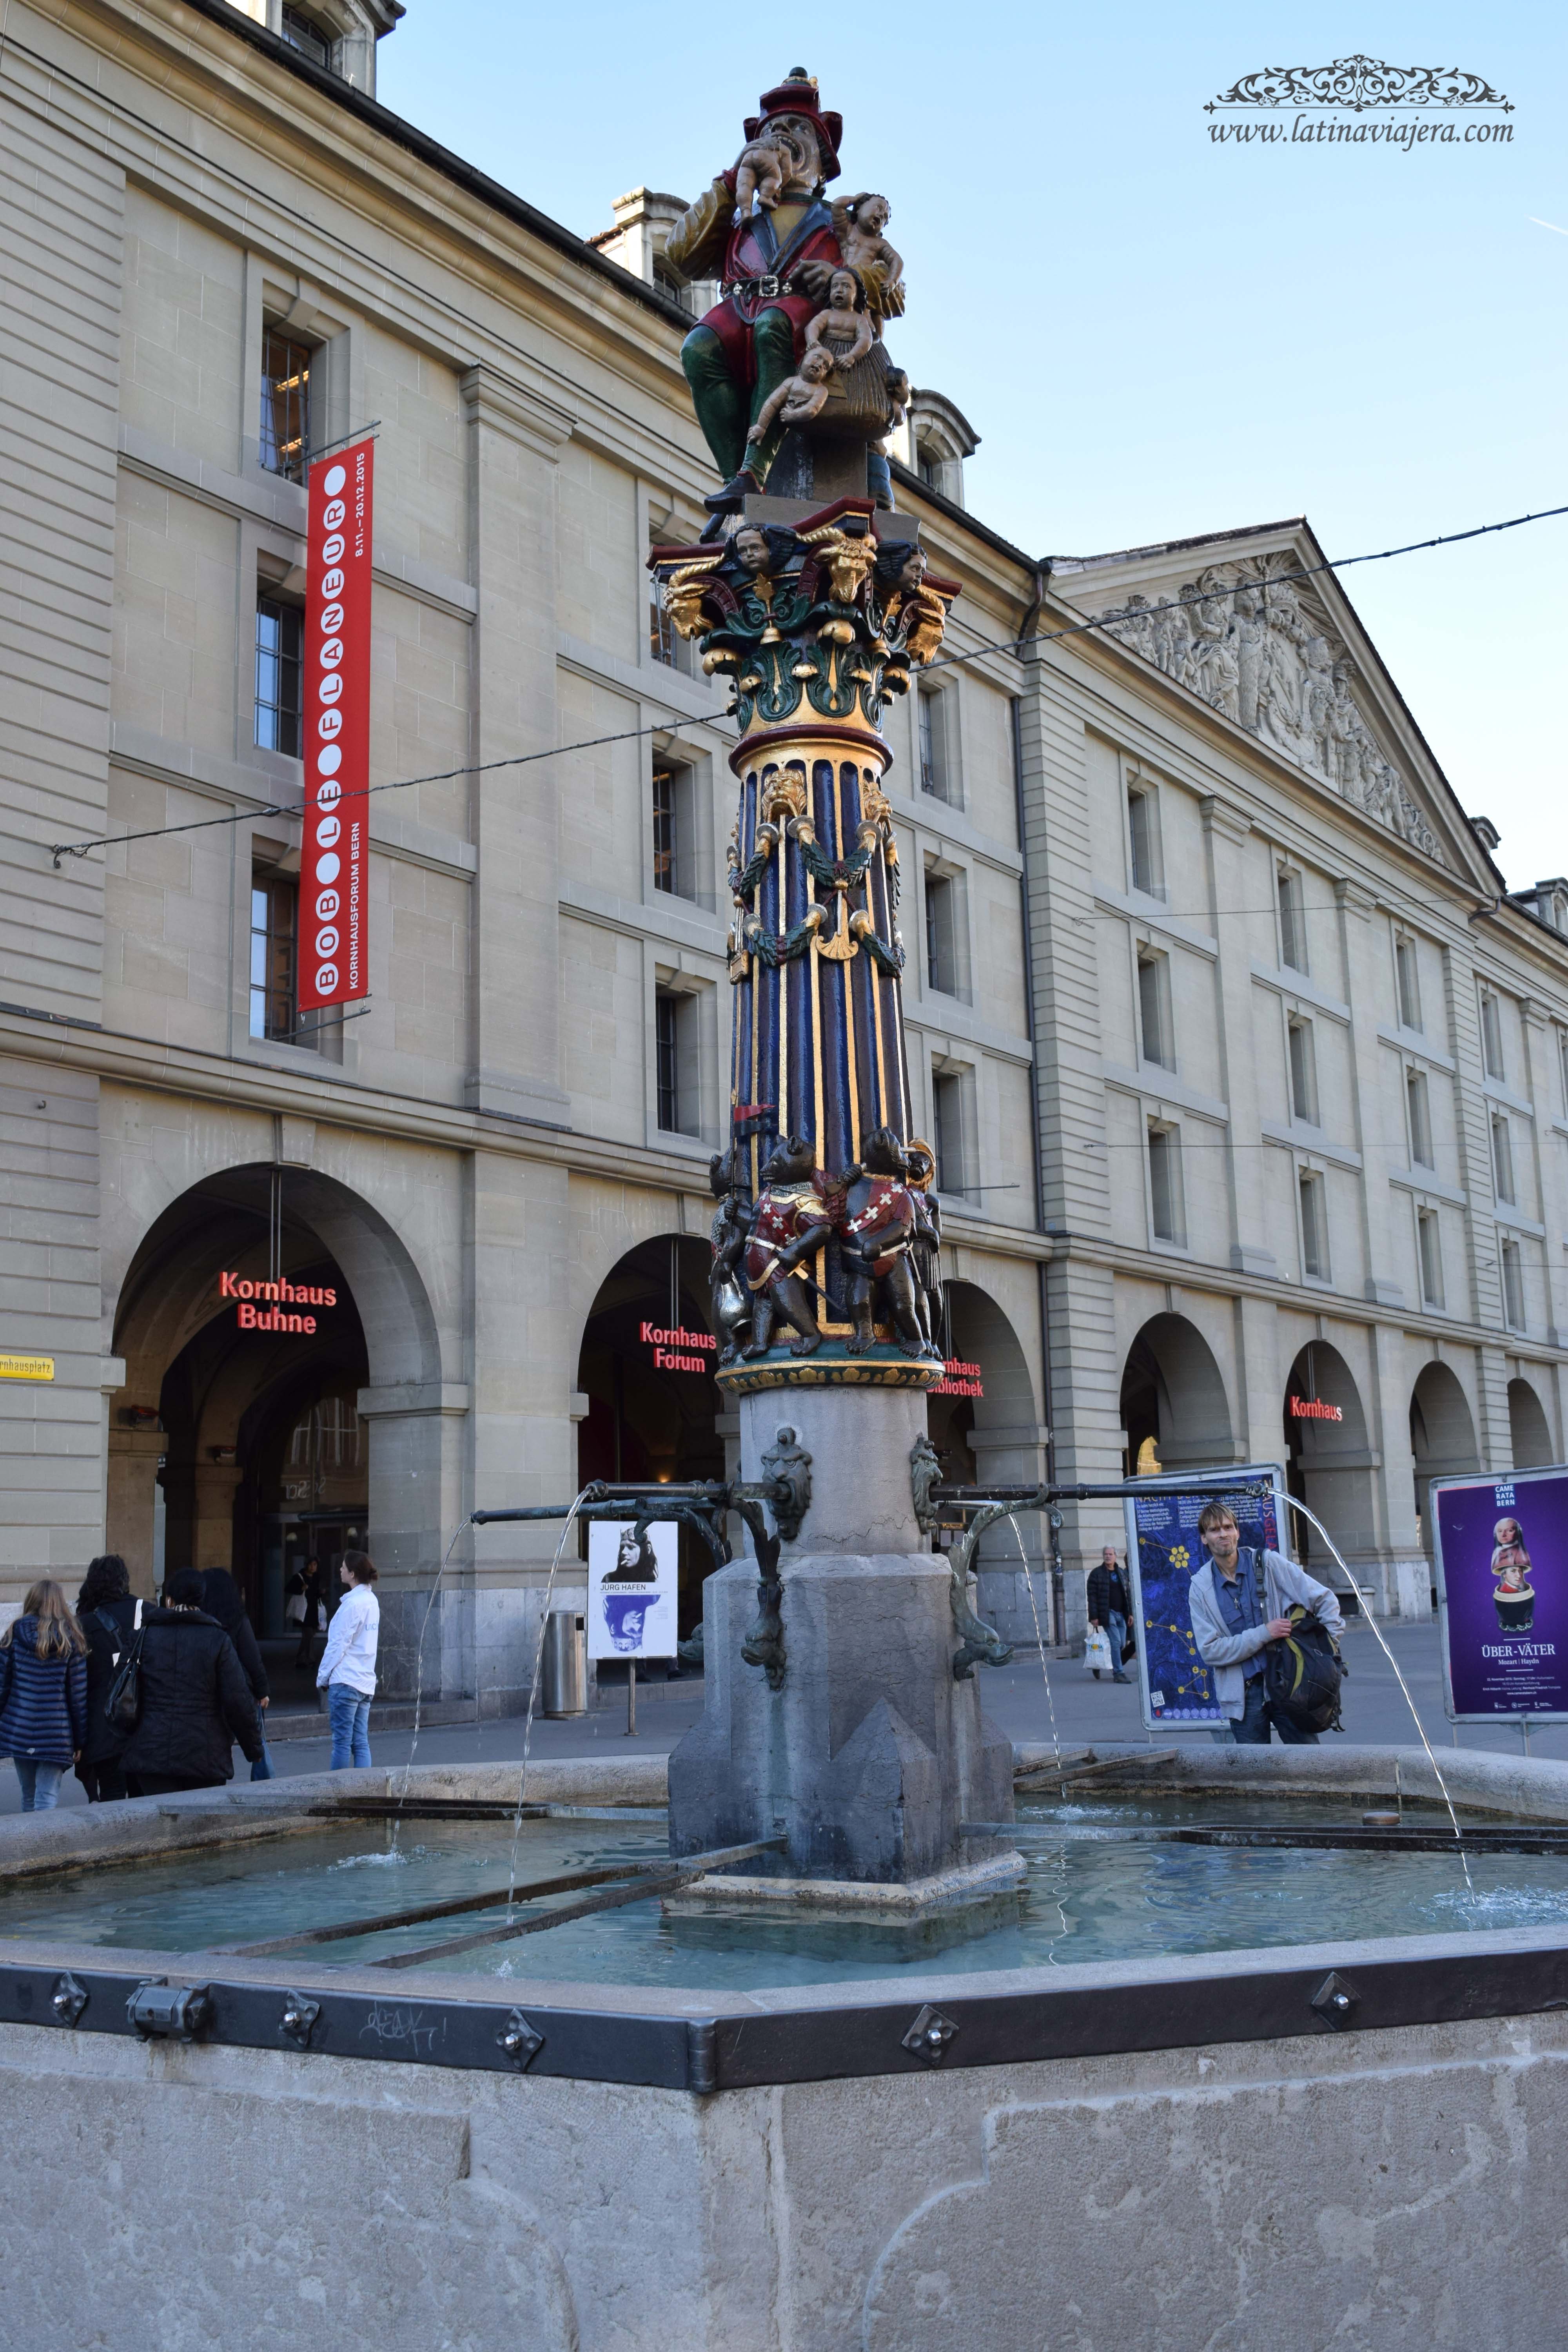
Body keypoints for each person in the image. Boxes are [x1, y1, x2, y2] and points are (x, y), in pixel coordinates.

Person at [1187, 1499, 1343, 1744]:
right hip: (1244, 1695)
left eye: (1228, 1527)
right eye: (1215, 1530)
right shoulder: (1200, 1588)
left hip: (1289, 1683)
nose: (1223, 1534)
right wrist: (1264, 1633)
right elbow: (1211, 1651)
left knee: (1308, 1760)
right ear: (1204, 1538)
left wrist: (1327, 1652)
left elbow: (1325, 1600)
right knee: (1254, 1766)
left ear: (1238, 1532)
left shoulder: (1267, 1563)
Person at [119, 1566, 263, 1795]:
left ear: (169, 1600)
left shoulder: (142, 1637)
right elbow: (238, 1700)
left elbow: (119, 1689)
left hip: (151, 1753)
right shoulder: (218, 1639)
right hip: (205, 1754)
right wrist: (253, 1749)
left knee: (159, 1816)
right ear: (201, 1601)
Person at [0, 1581, 88, 1810]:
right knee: (47, 1798)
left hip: (19, 1727)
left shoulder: (14, 1634)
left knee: (28, 1796)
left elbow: (2, 1687)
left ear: (32, 1601)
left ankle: (30, 1835)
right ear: (60, 1604)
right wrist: (80, 1741)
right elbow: (77, 1698)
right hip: (56, 1733)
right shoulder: (71, 1639)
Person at [74, 1554, 140, 1801]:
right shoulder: (148, 1613)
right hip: (143, 1723)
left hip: (103, 1726)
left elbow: (77, 1685)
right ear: (124, 1580)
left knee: (112, 1795)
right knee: (143, 1797)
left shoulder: (83, 1624)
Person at [317, 1551, 379, 1770]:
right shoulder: (372, 1601)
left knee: (342, 1743)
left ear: (352, 1574)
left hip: (346, 1681)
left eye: (344, 1567)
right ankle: (366, 1788)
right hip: (365, 1681)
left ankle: (340, 1788)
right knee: (361, 1742)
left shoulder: (352, 1605)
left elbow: (338, 1645)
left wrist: (322, 1677)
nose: (340, 1570)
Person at [1086, 1546, 1133, 1684]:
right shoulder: (1097, 1574)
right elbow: (1092, 1597)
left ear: (1116, 1556)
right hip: (1107, 1614)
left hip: (1121, 1614)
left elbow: (1128, 1594)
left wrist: (1130, 1614)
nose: (1108, 1556)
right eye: (1106, 1554)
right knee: (1116, 1642)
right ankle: (1119, 1673)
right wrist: (1094, 1617)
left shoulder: (1121, 1573)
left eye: (1111, 1554)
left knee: (1120, 1644)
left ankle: (1099, 1664)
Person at [294, 1556, 325, 1670]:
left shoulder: (317, 1577)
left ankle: (300, 1659)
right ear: (307, 1565)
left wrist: (321, 1593)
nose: (313, 1567)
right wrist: (301, 1588)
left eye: (315, 1565)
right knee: (309, 1635)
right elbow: (290, 1589)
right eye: (311, 1565)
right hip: (304, 1610)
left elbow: (316, 1593)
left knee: (308, 1636)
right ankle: (311, 1659)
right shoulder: (300, 1576)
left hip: (313, 1610)